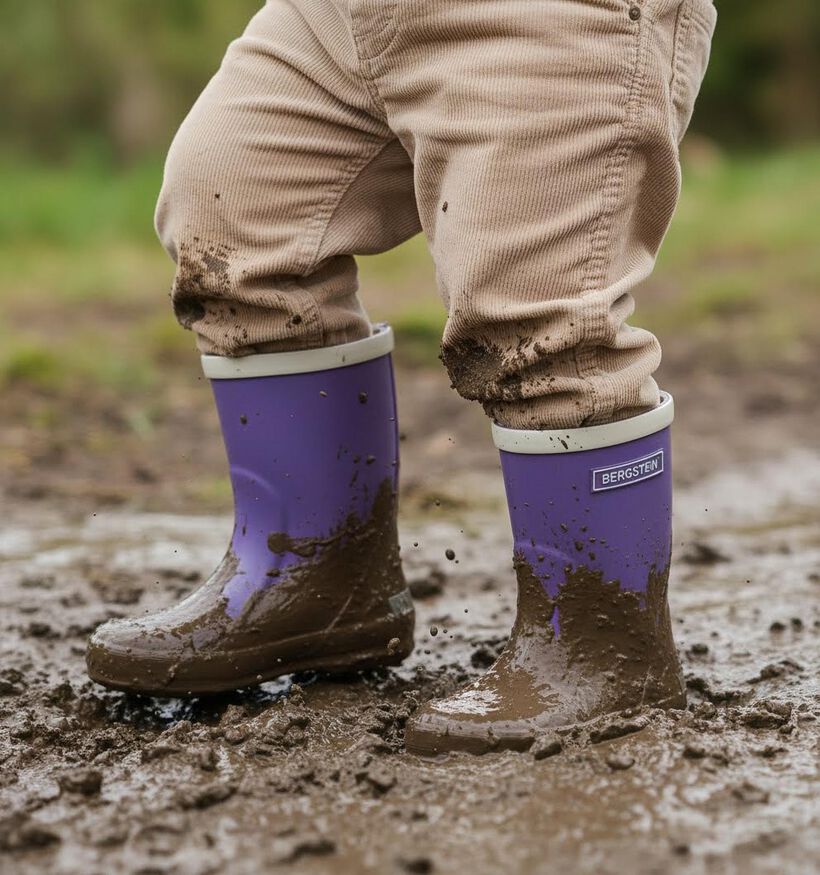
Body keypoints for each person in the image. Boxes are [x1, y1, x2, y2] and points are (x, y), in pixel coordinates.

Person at [87, 0, 716, 755]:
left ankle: (598, 644)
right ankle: (314, 575)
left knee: (536, 314)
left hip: (549, 17)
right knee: (229, 207)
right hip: (339, 14)